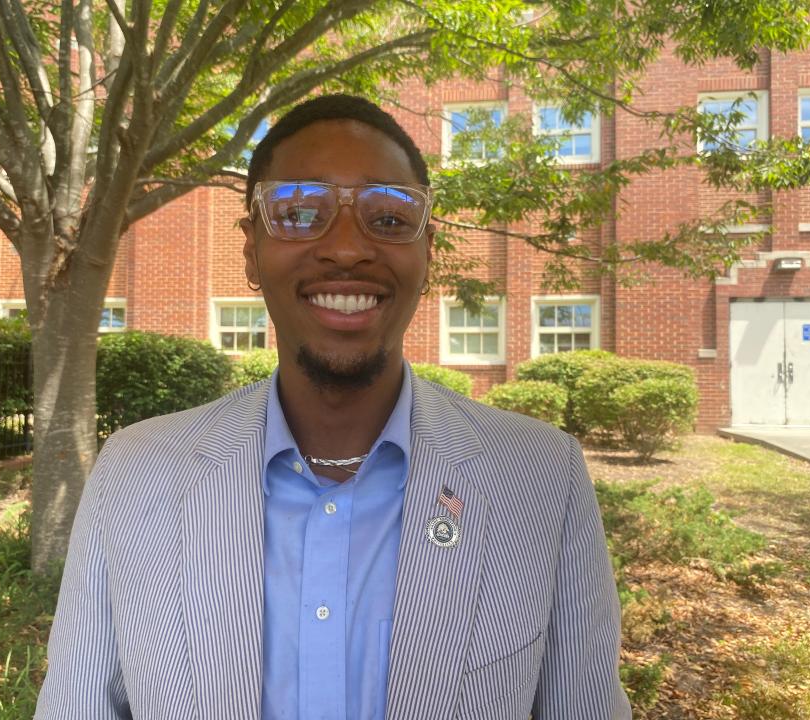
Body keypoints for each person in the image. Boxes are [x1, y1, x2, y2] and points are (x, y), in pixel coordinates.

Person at [35, 94, 631, 720]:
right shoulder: (134, 475)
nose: (347, 249)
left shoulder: (539, 476)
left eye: (389, 218)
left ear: (427, 252)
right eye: (299, 213)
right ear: (250, 251)